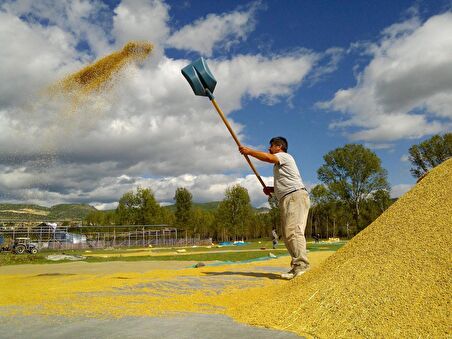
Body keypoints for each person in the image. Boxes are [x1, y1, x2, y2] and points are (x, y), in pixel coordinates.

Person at [239, 137, 310, 279]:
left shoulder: (284, 156)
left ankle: (302, 265)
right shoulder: (279, 164)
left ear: (279, 146)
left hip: (295, 196)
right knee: (288, 234)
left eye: (271, 146)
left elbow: (268, 158)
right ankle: (296, 266)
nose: (269, 149)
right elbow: (283, 184)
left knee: (293, 231)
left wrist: (249, 152)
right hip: (287, 197)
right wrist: (271, 189)